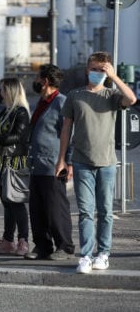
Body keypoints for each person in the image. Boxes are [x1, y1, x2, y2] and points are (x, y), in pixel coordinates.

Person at [56, 51, 137, 274]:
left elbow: (131, 99)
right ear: (87, 69)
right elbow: (66, 128)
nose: (97, 73)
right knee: (85, 211)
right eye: (94, 69)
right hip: (81, 161)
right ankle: (86, 256)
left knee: (105, 211)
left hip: (107, 163)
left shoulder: (111, 95)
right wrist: (62, 159)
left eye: (102, 70)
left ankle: (103, 253)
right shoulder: (75, 95)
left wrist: (115, 77)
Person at [25, 64, 74, 261]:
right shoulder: (42, 102)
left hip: (54, 164)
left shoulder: (61, 103)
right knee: (37, 209)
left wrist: (68, 162)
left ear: (45, 81)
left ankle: (65, 246)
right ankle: (42, 245)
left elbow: (70, 134)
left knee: (55, 209)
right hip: (37, 164)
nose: (35, 82)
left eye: (38, 78)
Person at [0, 77, 30, 257]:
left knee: (15, 202)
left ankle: (23, 241)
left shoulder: (21, 112)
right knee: (7, 205)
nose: (0, 93)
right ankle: (8, 240)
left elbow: (17, 137)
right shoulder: (6, 112)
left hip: (12, 164)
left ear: (10, 91)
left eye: (2, 89)